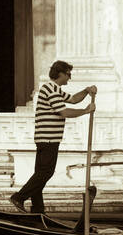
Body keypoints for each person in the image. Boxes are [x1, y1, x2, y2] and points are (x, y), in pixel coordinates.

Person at [10, 61, 97, 214]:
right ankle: (19, 197)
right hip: (48, 139)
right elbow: (64, 112)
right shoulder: (50, 90)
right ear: (60, 74)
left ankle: (38, 209)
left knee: (40, 173)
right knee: (45, 173)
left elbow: (73, 99)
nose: (70, 78)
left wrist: (86, 90)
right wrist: (85, 111)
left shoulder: (55, 90)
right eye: (68, 74)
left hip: (47, 138)